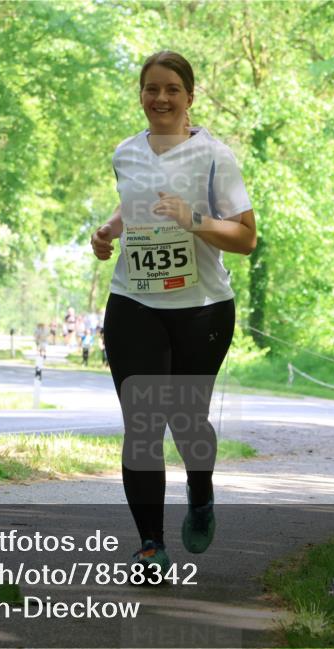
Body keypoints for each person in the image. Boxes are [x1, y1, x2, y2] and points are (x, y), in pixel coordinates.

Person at [89, 51, 257, 575]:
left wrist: (195, 217)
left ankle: (201, 491)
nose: (160, 99)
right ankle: (150, 546)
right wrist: (110, 232)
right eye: (150, 89)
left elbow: (246, 237)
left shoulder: (214, 156)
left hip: (201, 309)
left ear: (189, 97)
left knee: (186, 424)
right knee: (142, 426)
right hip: (134, 302)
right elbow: (136, 202)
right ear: (140, 94)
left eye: (171, 90)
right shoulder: (125, 153)